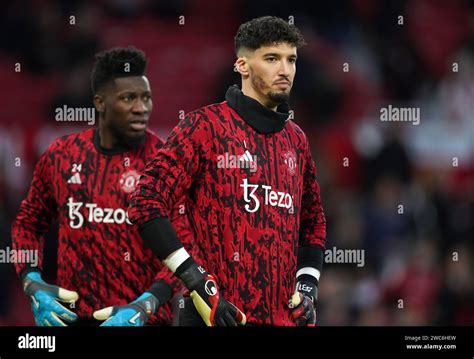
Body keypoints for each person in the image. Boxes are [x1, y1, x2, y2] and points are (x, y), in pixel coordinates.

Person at [128, 16, 326, 326]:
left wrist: (308, 286)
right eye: (272, 59)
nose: (285, 70)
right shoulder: (204, 127)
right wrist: (195, 279)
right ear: (243, 66)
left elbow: (313, 223)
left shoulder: (296, 139)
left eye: (291, 60)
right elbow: (146, 201)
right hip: (216, 316)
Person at [11, 47, 191, 326]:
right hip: (73, 319)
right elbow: (27, 224)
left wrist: (148, 303)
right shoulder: (62, 155)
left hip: (144, 319)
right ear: (100, 103)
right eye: (129, 98)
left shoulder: (165, 163)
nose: (141, 108)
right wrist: (30, 279)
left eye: (146, 98)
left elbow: (185, 247)